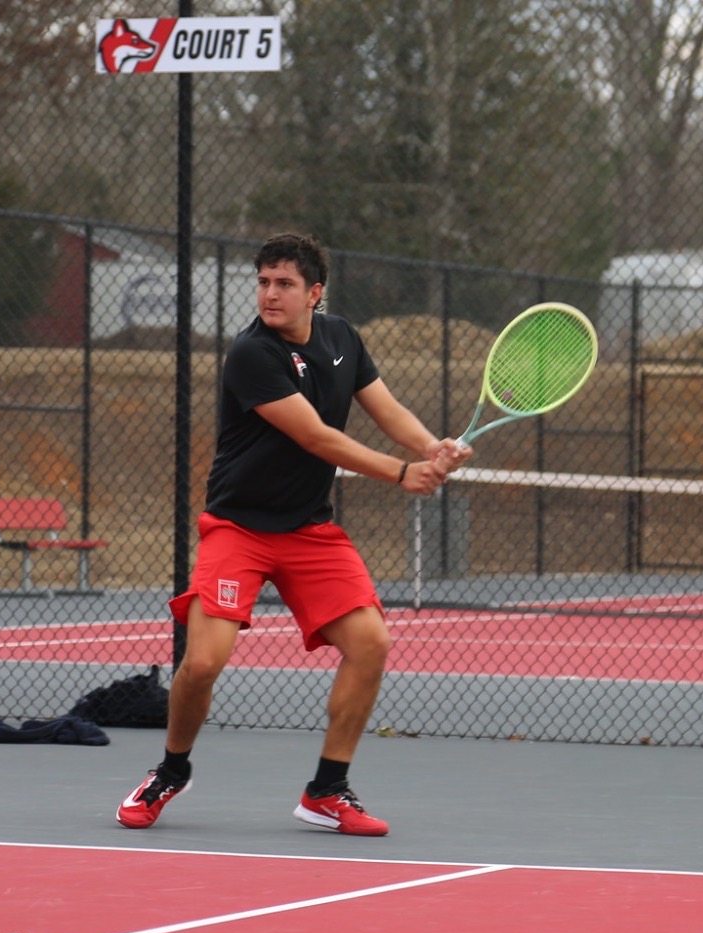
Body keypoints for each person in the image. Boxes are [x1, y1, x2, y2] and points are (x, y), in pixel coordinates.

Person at [117, 232, 471, 837]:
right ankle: (171, 770)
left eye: (283, 284)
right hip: (239, 528)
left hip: (309, 531)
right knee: (202, 661)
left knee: (371, 644)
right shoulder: (251, 355)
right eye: (263, 282)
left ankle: (327, 790)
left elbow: (384, 409)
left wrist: (430, 445)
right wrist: (402, 472)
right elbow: (316, 438)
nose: (270, 294)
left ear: (315, 293)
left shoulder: (343, 340)